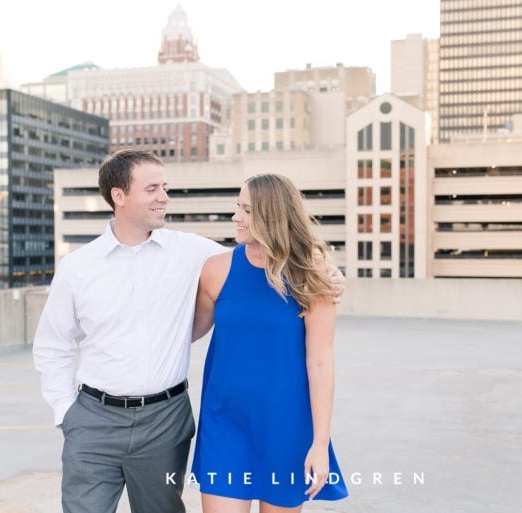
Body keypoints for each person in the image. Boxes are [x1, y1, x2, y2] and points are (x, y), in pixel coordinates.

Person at [32, 150, 345, 513]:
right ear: (119, 196)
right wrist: (65, 411)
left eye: (164, 187)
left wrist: (331, 276)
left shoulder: (193, 252)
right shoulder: (78, 267)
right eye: (152, 188)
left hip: (173, 420)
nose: (164, 197)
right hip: (100, 419)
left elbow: (265, 262)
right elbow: (53, 344)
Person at [190, 173, 349, 513]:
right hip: (225, 423)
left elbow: (320, 361)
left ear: (272, 216)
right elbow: (187, 331)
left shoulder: (312, 276)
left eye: (246, 210)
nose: (236, 217)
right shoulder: (216, 269)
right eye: (237, 207)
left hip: (286, 426)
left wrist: (320, 443)